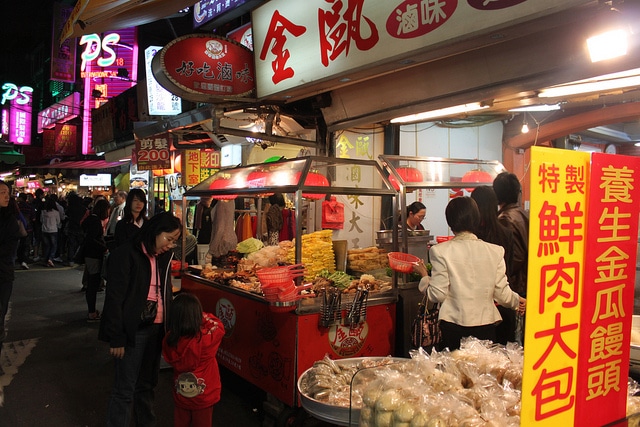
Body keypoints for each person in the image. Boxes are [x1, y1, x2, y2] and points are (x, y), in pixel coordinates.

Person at [99, 212, 181, 427]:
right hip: (133, 330)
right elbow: (114, 299)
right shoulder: (125, 254)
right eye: (169, 239)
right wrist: (117, 337)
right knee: (124, 389)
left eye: (174, 241)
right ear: (155, 231)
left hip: (157, 329)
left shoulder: (163, 257)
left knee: (147, 385)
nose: (170, 245)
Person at [413, 196, 525, 351]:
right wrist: (517, 301)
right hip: (486, 326)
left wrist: (425, 277)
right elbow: (502, 294)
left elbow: (437, 295)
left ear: (450, 222)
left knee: (454, 373)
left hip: (453, 327)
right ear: (476, 219)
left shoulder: (440, 251)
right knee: (481, 373)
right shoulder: (495, 251)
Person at [162, 293, 225, 427]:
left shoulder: (170, 340)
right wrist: (199, 316)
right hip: (204, 397)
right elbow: (218, 326)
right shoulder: (206, 340)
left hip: (181, 396)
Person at [471, 186, 517, 344]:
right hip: (504, 304)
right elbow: (508, 268)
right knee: (502, 363)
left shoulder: (474, 236)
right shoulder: (506, 233)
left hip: (480, 312)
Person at [493, 172, 529, 299]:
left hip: (516, 285)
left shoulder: (505, 219)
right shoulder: (524, 214)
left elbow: (514, 258)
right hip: (527, 282)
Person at [0, 181, 21, 375]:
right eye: (2, 193)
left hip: (3, 275)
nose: (7, 196)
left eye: (8, 192)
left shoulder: (10, 221)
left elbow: (9, 251)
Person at [82, 198, 110, 321]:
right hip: (93, 255)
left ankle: (91, 311)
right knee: (93, 283)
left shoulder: (91, 219)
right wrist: (104, 248)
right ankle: (92, 312)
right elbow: (92, 239)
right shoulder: (95, 221)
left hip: (89, 255)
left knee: (92, 283)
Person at [64, 192, 88, 267]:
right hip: (81, 228)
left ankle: (71, 260)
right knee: (80, 244)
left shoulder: (70, 208)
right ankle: (80, 258)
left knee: (71, 244)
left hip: (72, 227)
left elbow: (66, 216)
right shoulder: (83, 209)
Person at [41, 196, 62, 267]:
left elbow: (41, 220)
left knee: (47, 246)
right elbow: (58, 221)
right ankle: (50, 258)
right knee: (54, 246)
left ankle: (46, 260)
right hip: (53, 230)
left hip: (44, 230)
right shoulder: (56, 212)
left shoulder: (43, 212)